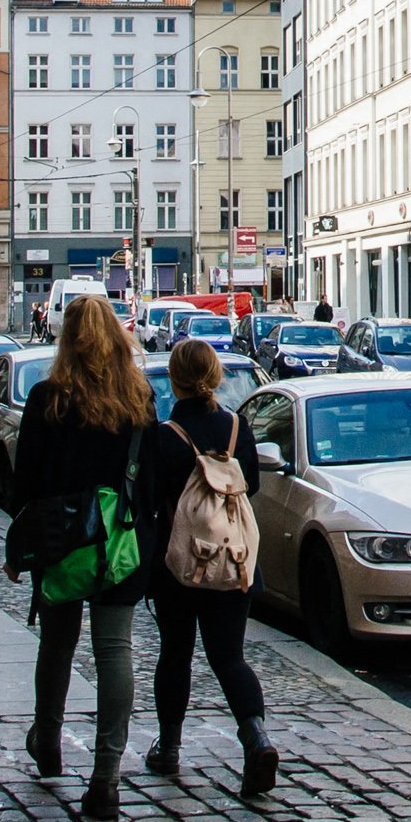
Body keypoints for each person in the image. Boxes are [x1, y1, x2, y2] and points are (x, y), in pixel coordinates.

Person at [9, 296, 152, 822]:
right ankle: (106, 778)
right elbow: (149, 482)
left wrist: (19, 553)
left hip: (59, 539)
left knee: (58, 644)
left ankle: (48, 741)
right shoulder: (139, 396)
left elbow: (23, 482)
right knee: (115, 652)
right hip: (119, 543)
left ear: (66, 339)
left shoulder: (48, 398)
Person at [139, 338, 276, 796]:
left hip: (178, 565)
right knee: (229, 656)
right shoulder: (239, 427)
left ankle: (170, 746)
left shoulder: (163, 436)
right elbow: (250, 484)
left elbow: (148, 501)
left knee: (175, 653)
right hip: (232, 561)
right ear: (215, 376)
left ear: (174, 381)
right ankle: (255, 737)